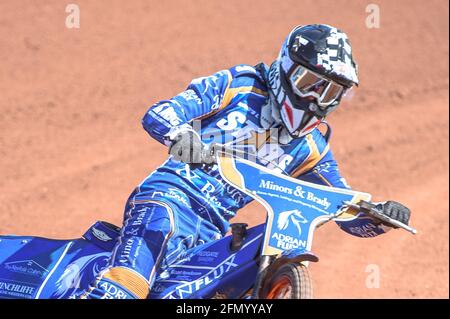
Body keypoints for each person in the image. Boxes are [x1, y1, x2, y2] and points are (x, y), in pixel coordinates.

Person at [80, 24, 410, 299]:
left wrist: (380, 216)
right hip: (169, 199)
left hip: (213, 231)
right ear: (285, 68)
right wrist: (182, 137)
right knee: (130, 283)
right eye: (310, 84)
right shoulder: (240, 86)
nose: (315, 99)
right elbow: (161, 112)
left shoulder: (311, 147)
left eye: (330, 92)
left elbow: (339, 207)